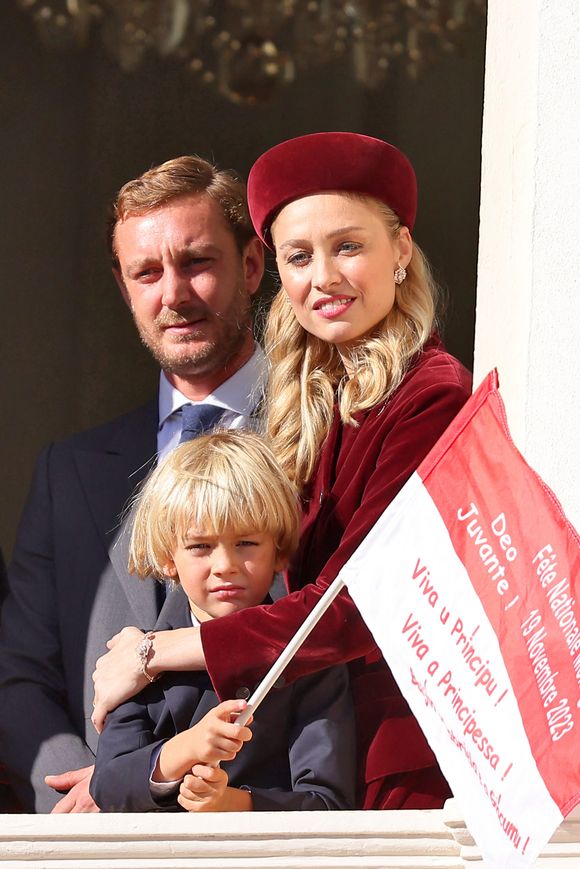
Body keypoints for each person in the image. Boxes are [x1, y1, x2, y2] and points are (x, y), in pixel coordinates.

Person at [92, 131, 473, 810]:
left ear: (403, 251)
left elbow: (354, 605)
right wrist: (150, 761)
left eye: (348, 246)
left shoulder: (433, 394)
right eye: (299, 256)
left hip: (388, 762)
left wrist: (156, 651)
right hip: (290, 756)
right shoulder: (313, 391)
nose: (322, 277)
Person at [0, 154, 265, 813]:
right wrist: (90, 794)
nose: (172, 294)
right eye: (147, 272)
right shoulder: (69, 469)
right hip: (89, 838)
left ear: (254, 265)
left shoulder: (320, 439)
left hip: (257, 824)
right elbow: (19, 672)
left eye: (197, 262)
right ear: (124, 287)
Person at [90, 431, 355, 813]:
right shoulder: (140, 662)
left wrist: (232, 803)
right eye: (200, 546)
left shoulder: (308, 660)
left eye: (246, 543)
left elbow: (329, 802)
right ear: (169, 557)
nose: (225, 566)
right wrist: (188, 747)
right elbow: (109, 786)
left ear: (279, 551)